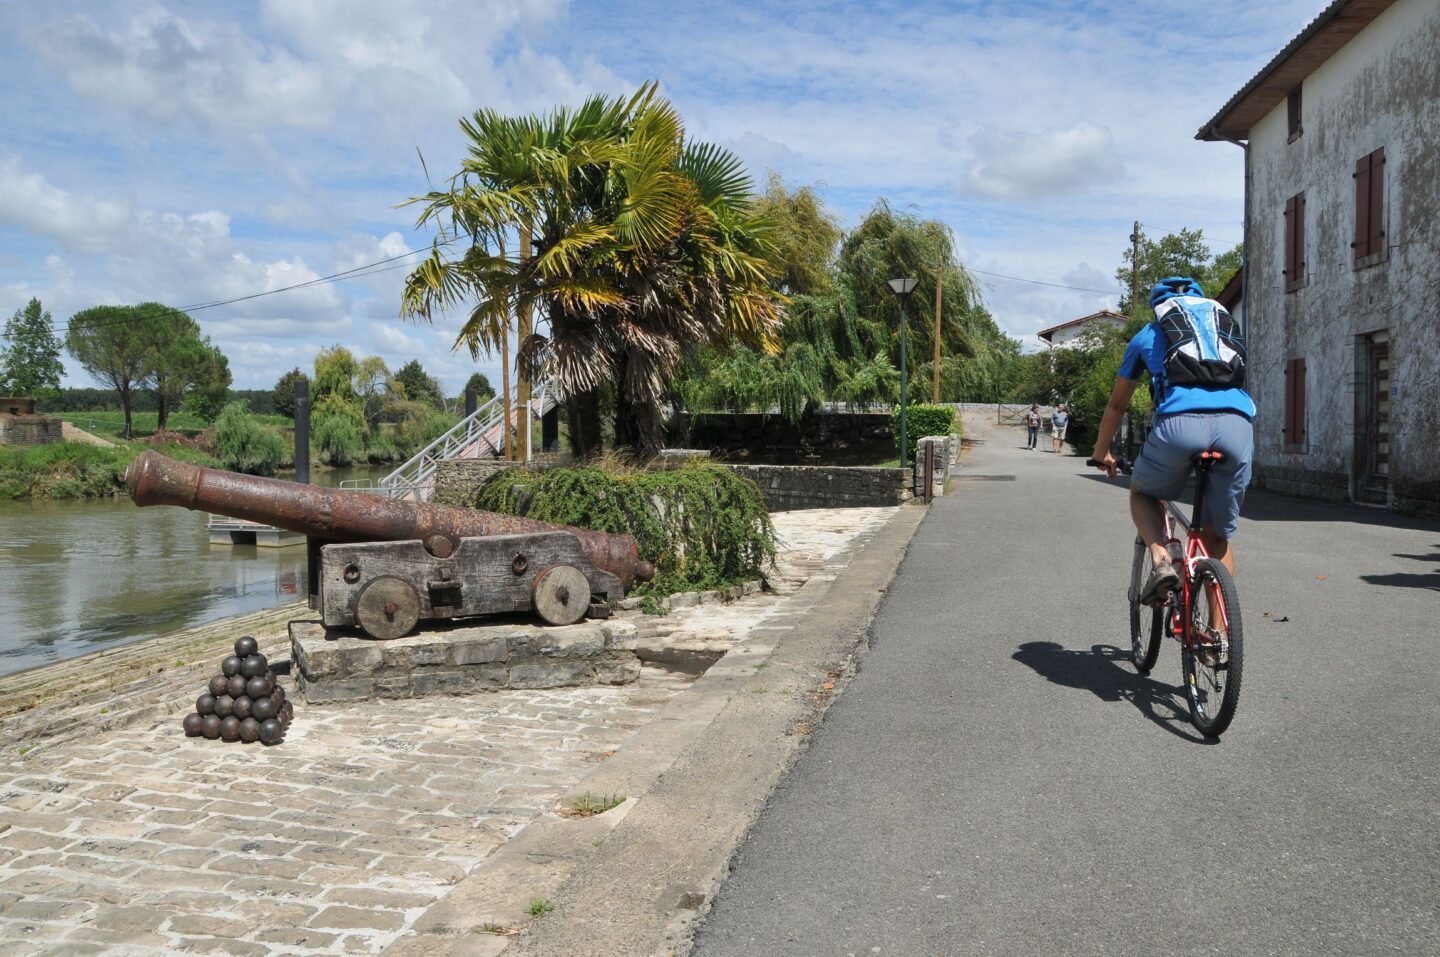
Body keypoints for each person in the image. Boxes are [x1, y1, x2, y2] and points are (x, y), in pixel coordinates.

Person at [1090, 277, 1254, 603]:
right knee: (1216, 538)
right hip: (1237, 427)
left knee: (1142, 492)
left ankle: (1161, 560)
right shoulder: (1221, 332)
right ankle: (1217, 637)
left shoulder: (1148, 335)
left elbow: (1117, 405)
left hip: (1179, 427)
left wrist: (1101, 452)